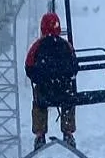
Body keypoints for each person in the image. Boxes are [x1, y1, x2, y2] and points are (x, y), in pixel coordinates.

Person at [24, 10, 79, 148]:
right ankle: (68, 132)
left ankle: (40, 134)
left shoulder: (37, 46)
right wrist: (63, 77)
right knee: (69, 100)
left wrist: (40, 79)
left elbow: (29, 67)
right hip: (63, 91)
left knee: (38, 103)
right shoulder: (65, 45)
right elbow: (74, 67)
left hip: (45, 92)